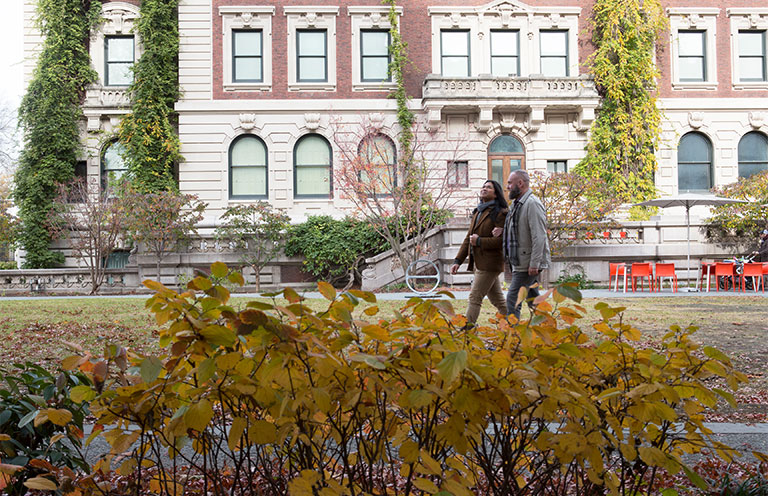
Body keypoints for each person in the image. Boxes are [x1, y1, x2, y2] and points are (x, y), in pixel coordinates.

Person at [493, 170, 551, 320]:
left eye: (510, 183)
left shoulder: (532, 204)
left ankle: (513, 336)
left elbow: (539, 236)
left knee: (513, 299)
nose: (507, 187)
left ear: (520, 183)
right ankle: (544, 328)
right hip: (520, 260)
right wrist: (504, 230)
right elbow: (519, 229)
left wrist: (534, 263)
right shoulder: (517, 204)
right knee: (532, 298)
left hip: (527, 262)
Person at [450, 180, 508, 325]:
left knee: (475, 297)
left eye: (489, 187)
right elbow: (468, 238)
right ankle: (515, 325)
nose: (484, 189)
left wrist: (480, 241)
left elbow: (502, 241)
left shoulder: (501, 213)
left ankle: (468, 329)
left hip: (490, 264)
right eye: (483, 186)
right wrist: (458, 261)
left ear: (496, 194)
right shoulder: (478, 212)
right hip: (479, 263)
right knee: (498, 301)